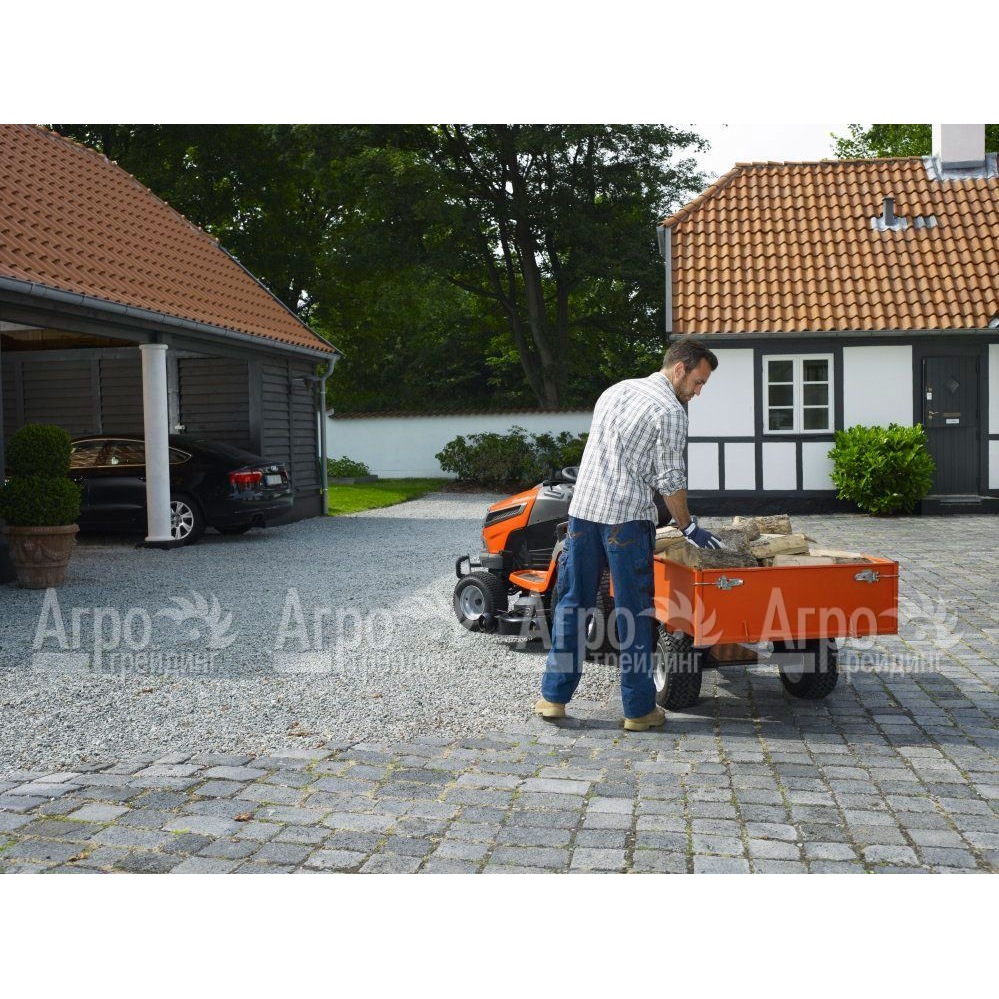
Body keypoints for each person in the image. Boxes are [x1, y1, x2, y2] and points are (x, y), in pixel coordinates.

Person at [535, 339, 721, 731]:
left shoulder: (615, 391)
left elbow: (624, 458)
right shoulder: (670, 411)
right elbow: (670, 478)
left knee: (573, 605)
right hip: (626, 520)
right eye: (699, 382)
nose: (699, 392)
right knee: (633, 614)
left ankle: (553, 697)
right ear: (680, 369)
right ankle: (638, 711)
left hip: (583, 514)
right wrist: (688, 526)